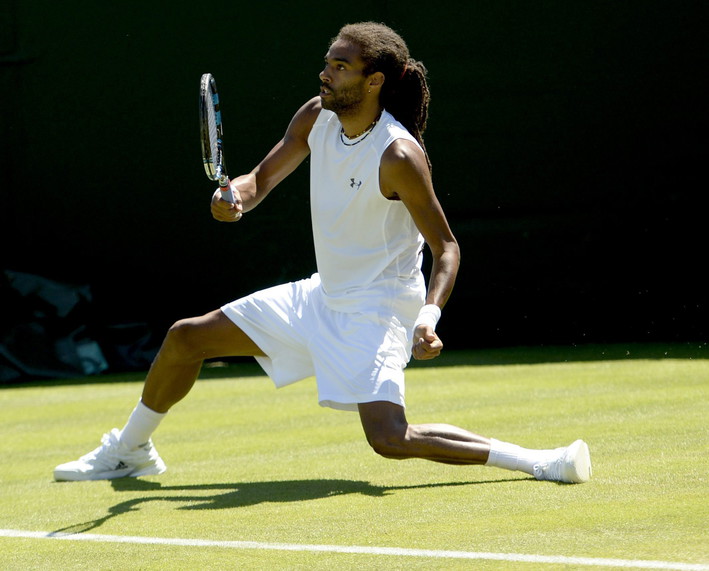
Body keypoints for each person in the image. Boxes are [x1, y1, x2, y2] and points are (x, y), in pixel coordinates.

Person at [54, 22, 591, 484]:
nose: (325, 73)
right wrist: (235, 197)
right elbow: (260, 179)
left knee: (389, 437)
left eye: (340, 66)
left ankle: (539, 460)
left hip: (377, 309)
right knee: (186, 337)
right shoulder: (317, 116)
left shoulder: (398, 155)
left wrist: (428, 315)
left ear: (374, 81)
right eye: (327, 62)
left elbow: (446, 246)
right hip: (322, 297)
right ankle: (130, 450)